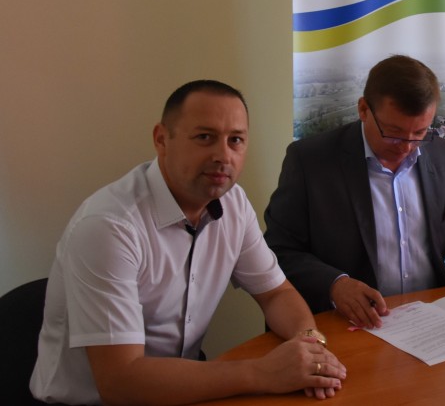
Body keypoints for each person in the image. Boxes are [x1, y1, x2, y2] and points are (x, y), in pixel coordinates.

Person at [30, 80, 346, 405]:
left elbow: (276, 293)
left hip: (185, 386)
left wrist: (310, 343)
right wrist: (262, 372)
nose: (223, 155)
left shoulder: (234, 203)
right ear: (161, 139)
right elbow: (120, 381)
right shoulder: (109, 227)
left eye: (235, 140)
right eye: (205, 137)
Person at [264, 55, 445, 329]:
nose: (406, 147)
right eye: (393, 132)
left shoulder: (443, 154)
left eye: (420, 132)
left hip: (432, 319)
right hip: (354, 326)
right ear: (363, 109)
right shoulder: (311, 161)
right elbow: (279, 249)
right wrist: (335, 284)